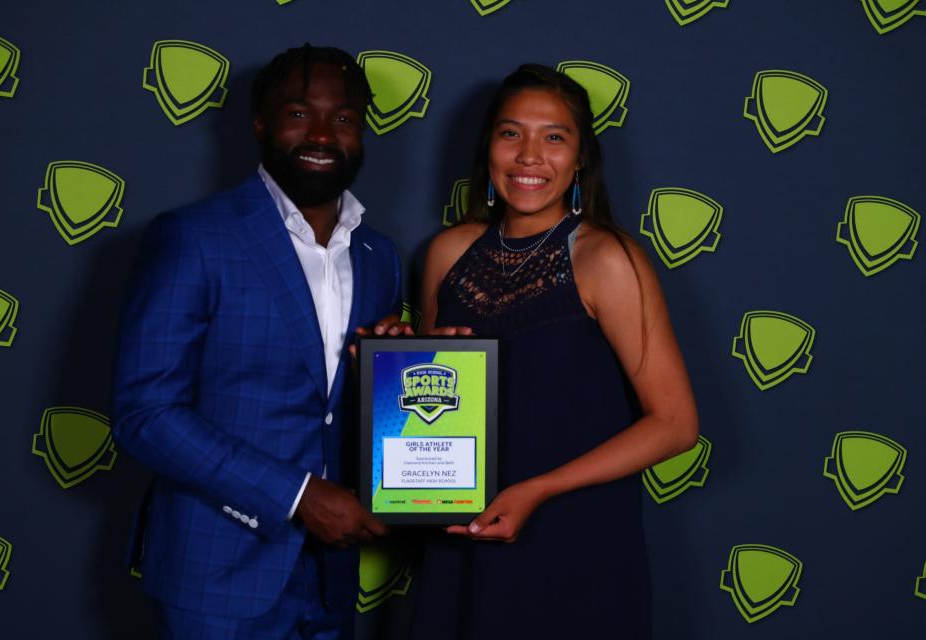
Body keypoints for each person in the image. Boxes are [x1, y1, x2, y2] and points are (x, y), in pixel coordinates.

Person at [112, 44, 408, 639]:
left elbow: (341, 412)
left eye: (344, 118)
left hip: (330, 578)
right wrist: (298, 497)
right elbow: (145, 413)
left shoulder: (380, 256)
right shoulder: (194, 238)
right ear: (260, 123)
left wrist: (395, 375)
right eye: (299, 114)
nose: (322, 134)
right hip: (217, 574)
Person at [411, 64, 699, 639]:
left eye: (554, 137)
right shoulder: (447, 253)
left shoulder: (607, 258)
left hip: (573, 540)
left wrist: (538, 490)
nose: (529, 155)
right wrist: (387, 363)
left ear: (580, 159)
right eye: (511, 132)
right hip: (462, 538)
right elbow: (423, 400)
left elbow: (675, 424)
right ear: (488, 146)